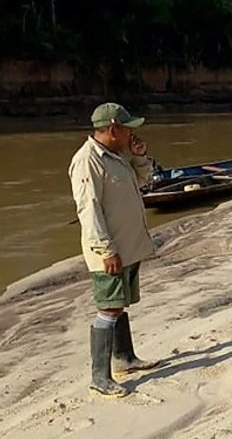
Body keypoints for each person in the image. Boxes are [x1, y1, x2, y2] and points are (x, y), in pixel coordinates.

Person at [69, 102, 161, 397]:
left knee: (119, 304)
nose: (132, 133)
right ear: (113, 129)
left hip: (128, 245)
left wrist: (140, 158)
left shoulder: (116, 156)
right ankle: (100, 377)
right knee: (109, 307)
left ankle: (125, 358)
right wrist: (105, 249)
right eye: (128, 128)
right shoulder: (87, 161)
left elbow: (142, 183)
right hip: (109, 249)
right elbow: (89, 209)